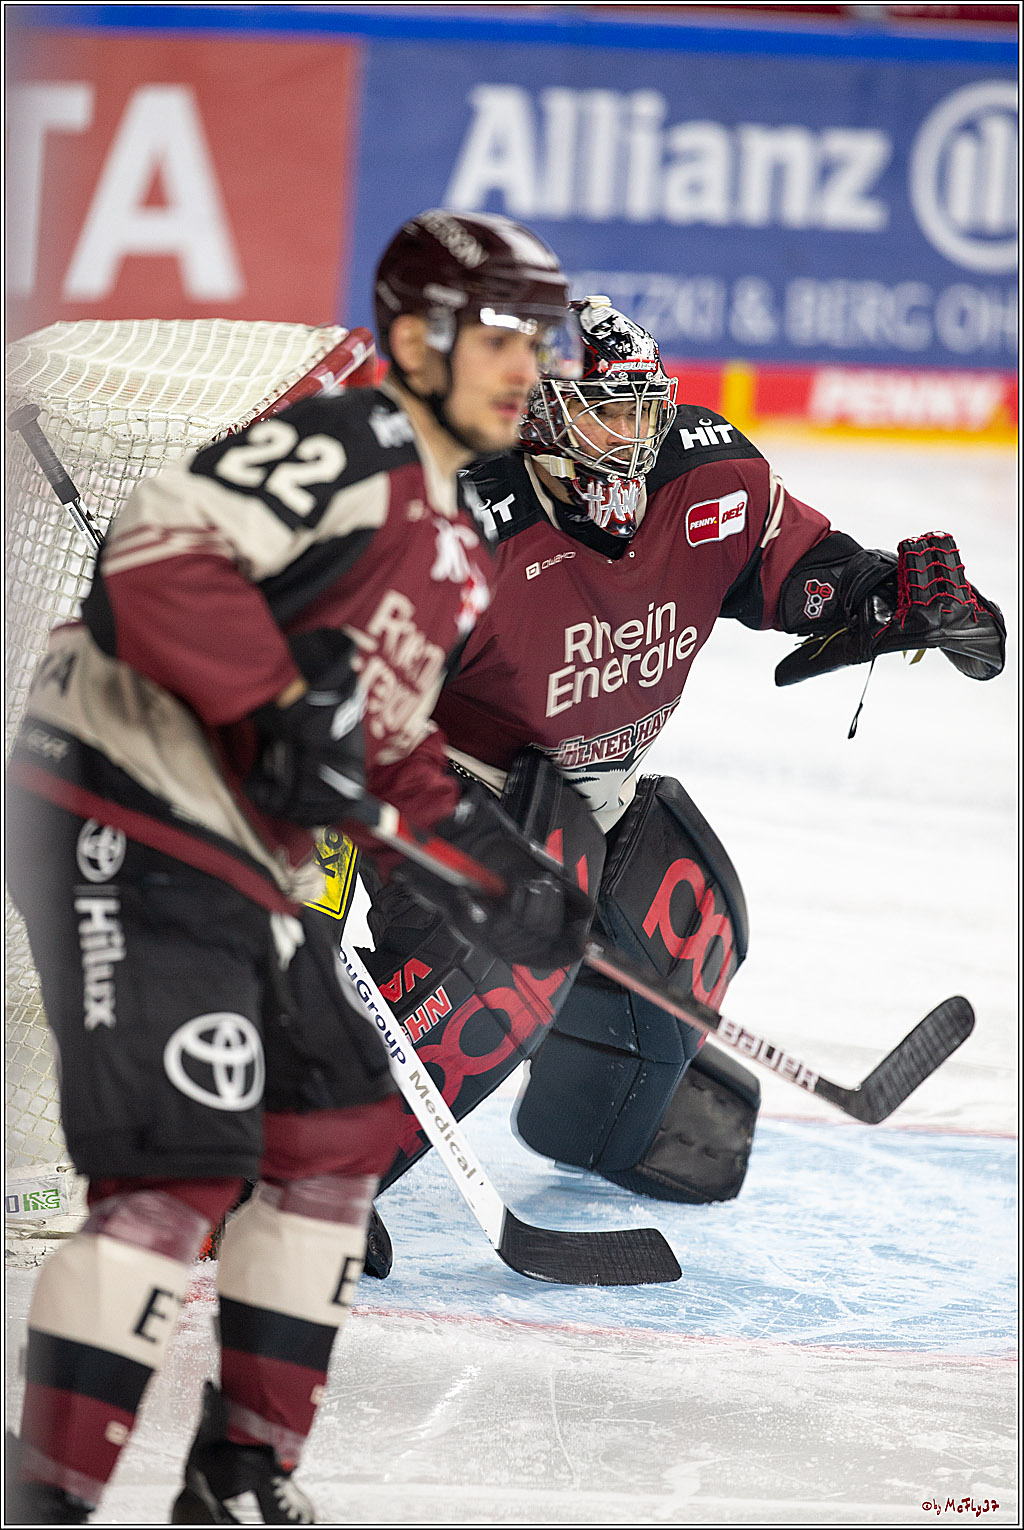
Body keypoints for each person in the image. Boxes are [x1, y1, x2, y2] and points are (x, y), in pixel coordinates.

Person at [4, 210, 593, 1527]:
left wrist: (498, 869)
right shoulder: (345, 443)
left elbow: (385, 748)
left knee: (336, 1129)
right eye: (501, 334)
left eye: (537, 338)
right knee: (177, 1168)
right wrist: (278, 705)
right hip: (119, 808)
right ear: (416, 341)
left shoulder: (450, 545)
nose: (529, 366)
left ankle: (242, 1470)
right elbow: (156, 556)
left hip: (228, 846)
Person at [359, 297, 1006, 1271]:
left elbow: (814, 575)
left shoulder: (710, 477)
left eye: (640, 408)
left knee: (692, 915)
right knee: (506, 957)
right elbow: (347, 713)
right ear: (531, 410)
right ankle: (298, 1170)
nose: (628, 437)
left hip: (590, 794)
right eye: (600, 412)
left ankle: (593, 1121)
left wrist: (896, 602)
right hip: (447, 802)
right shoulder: (459, 523)